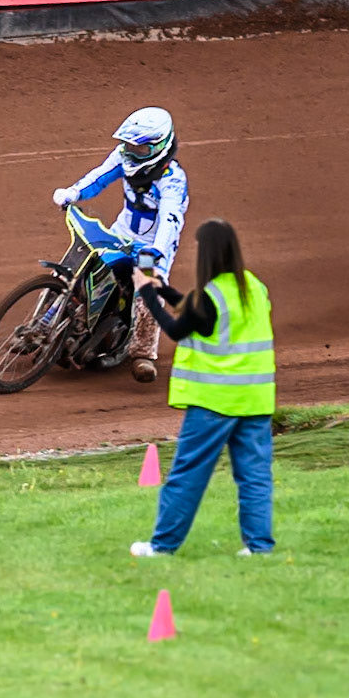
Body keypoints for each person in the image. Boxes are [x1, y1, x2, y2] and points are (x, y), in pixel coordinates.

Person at [128, 218, 275, 556]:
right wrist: (162, 288)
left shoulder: (210, 296)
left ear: (207, 254)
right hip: (255, 399)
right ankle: (259, 547)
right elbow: (199, 313)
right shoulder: (254, 287)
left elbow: (179, 328)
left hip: (215, 402)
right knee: (254, 477)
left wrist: (148, 295)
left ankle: (162, 546)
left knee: (187, 476)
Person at [51, 106, 189, 382]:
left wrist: (157, 249)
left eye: (138, 149)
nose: (129, 152)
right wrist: (73, 193)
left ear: (159, 146)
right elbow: (100, 176)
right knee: (80, 265)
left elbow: (170, 218)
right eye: (126, 145)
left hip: (153, 247)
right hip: (122, 233)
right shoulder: (123, 157)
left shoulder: (172, 180)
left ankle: (143, 355)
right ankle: (48, 321)